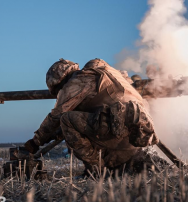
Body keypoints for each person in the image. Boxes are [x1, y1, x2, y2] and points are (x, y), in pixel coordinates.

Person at [24, 58, 159, 174]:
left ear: (60, 81)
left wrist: (35, 142)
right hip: (142, 131)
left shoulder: (77, 81)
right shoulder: (110, 73)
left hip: (118, 128)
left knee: (66, 120)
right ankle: (122, 165)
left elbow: (56, 117)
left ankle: (96, 171)